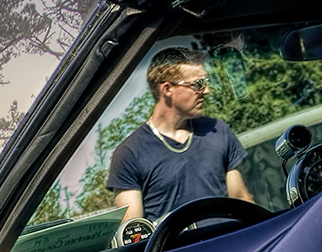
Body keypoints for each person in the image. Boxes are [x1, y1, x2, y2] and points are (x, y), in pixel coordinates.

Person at [107, 48, 253, 223]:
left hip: (232, 243)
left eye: (206, 82)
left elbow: (241, 200)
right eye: (198, 84)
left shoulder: (217, 130)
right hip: (178, 250)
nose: (206, 90)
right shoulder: (129, 153)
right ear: (167, 89)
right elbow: (133, 233)